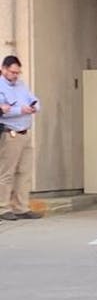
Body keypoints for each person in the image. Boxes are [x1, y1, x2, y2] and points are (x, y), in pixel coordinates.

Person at [0, 56, 42, 221]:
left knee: (24, 172)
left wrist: (33, 107)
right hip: (10, 133)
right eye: (12, 72)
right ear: (3, 69)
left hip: (25, 132)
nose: (15, 75)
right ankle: (3, 207)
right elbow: (3, 110)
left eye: (18, 72)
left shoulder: (21, 85)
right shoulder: (1, 86)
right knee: (7, 172)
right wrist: (20, 110)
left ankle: (21, 207)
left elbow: (35, 100)